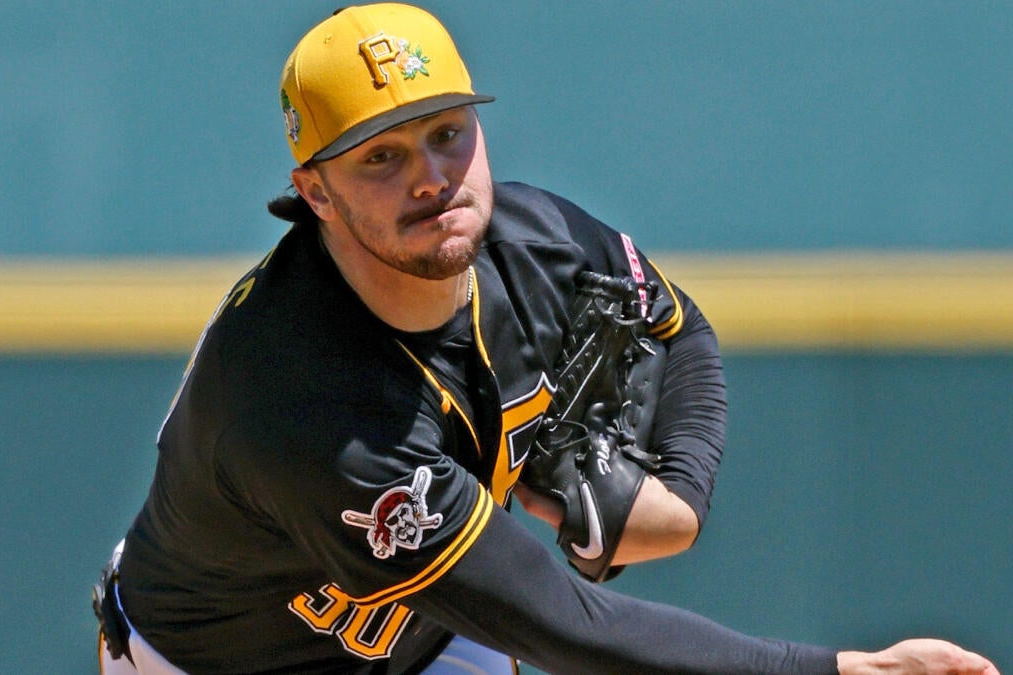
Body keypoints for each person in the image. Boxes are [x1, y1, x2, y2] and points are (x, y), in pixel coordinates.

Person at [94, 4, 1000, 673]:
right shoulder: (306, 405)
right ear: (315, 192)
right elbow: (565, 625)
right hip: (222, 659)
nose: (432, 177)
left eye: (448, 132)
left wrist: (679, 496)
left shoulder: (536, 243)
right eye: (381, 156)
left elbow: (678, 329)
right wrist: (835, 670)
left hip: (424, 637)